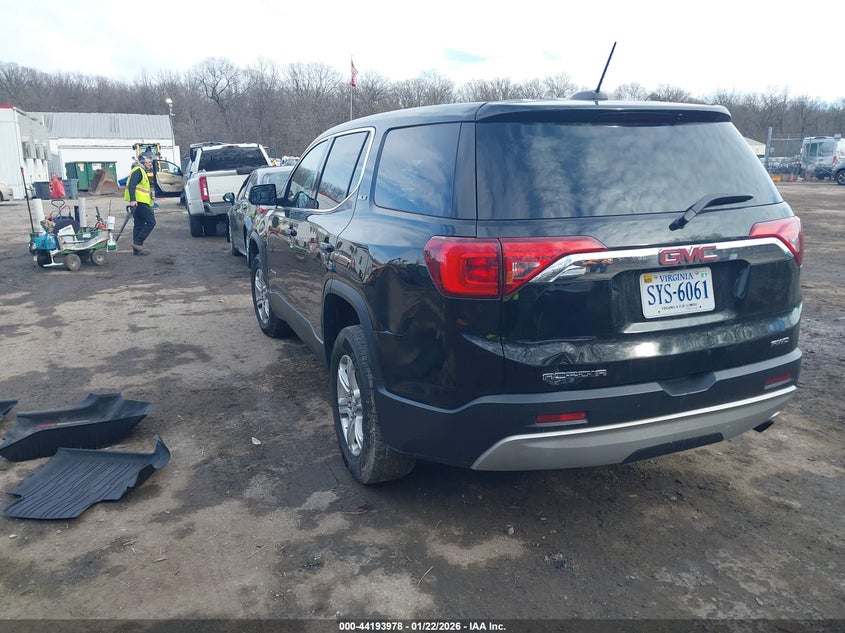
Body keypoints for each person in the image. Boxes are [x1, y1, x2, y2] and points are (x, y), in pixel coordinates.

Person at [124, 154, 156, 255]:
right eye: (149, 161)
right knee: (151, 222)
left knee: (139, 224)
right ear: (143, 162)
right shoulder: (138, 170)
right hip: (139, 202)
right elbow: (132, 185)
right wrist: (133, 199)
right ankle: (138, 243)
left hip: (139, 201)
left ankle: (137, 250)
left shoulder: (140, 170)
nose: (150, 163)